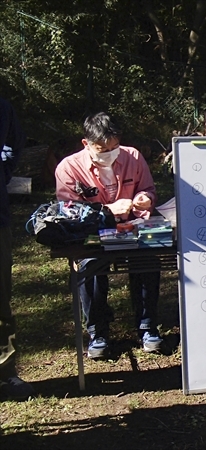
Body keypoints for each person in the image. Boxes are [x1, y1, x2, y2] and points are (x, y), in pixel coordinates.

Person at [55, 112, 164, 359]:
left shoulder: (133, 157)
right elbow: (69, 211)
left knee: (148, 260)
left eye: (114, 147)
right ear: (86, 144)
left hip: (133, 227)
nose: (109, 152)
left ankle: (148, 327)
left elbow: (148, 189)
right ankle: (98, 332)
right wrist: (107, 211)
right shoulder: (68, 168)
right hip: (91, 234)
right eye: (101, 148)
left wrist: (145, 199)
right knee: (90, 267)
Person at [0, 98, 35, 400]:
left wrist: (2, 170)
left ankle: (5, 373)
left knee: (1, 299)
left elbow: (14, 141)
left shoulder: (2, 105)